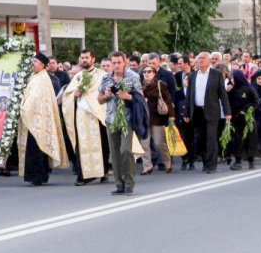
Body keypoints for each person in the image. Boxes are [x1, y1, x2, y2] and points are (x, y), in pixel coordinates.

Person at [60, 49, 109, 186]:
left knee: (102, 145)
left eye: (86, 57)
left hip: (97, 114)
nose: (84, 60)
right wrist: (74, 94)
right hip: (82, 116)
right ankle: (84, 175)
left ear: (93, 59)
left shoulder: (102, 75)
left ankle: (103, 172)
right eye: (82, 58)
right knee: (82, 145)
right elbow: (67, 95)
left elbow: (106, 93)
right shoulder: (78, 76)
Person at [18, 52, 67, 186]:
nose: (33, 64)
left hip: (39, 119)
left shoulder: (43, 79)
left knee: (36, 148)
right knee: (34, 148)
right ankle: (38, 175)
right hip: (33, 118)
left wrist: (23, 106)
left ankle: (38, 176)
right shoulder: (35, 77)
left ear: (42, 65)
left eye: (35, 62)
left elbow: (35, 99)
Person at [97, 51, 142, 196]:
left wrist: (127, 96)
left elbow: (141, 98)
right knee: (115, 153)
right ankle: (119, 184)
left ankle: (129, 183)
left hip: (127, 119)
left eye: (119, 62)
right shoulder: (106, 78)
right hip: (111, 119)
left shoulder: (132, 77)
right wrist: (106, 96)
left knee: (126, 150)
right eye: (114, 63)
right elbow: (99, 99)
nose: (116, 65)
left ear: (125, 62)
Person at [182, 51, 231, 173]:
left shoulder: (216, 74)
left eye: (203, 58)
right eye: (198, 58)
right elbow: (189, 95)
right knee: (200, 138)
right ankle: (205, 161)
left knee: (211, 138)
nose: (200, 60)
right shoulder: (192, 75)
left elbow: (223, 94)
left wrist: (227, 112)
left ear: (209, 61)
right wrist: (186, 112)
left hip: (211, 111)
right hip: (197, 111)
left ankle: (211, 165)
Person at [141, 66, 175, 173]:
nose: (146, 73)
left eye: (149, 71)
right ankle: (147, 167)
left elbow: (168, 100)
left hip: (157, 118)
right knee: (144, 144)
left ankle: (167, 162)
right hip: (143, 118)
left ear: (154, 73)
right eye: (144, 71)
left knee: (159, 143)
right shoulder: (139, 86)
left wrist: (171, 116)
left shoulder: (160, 84)